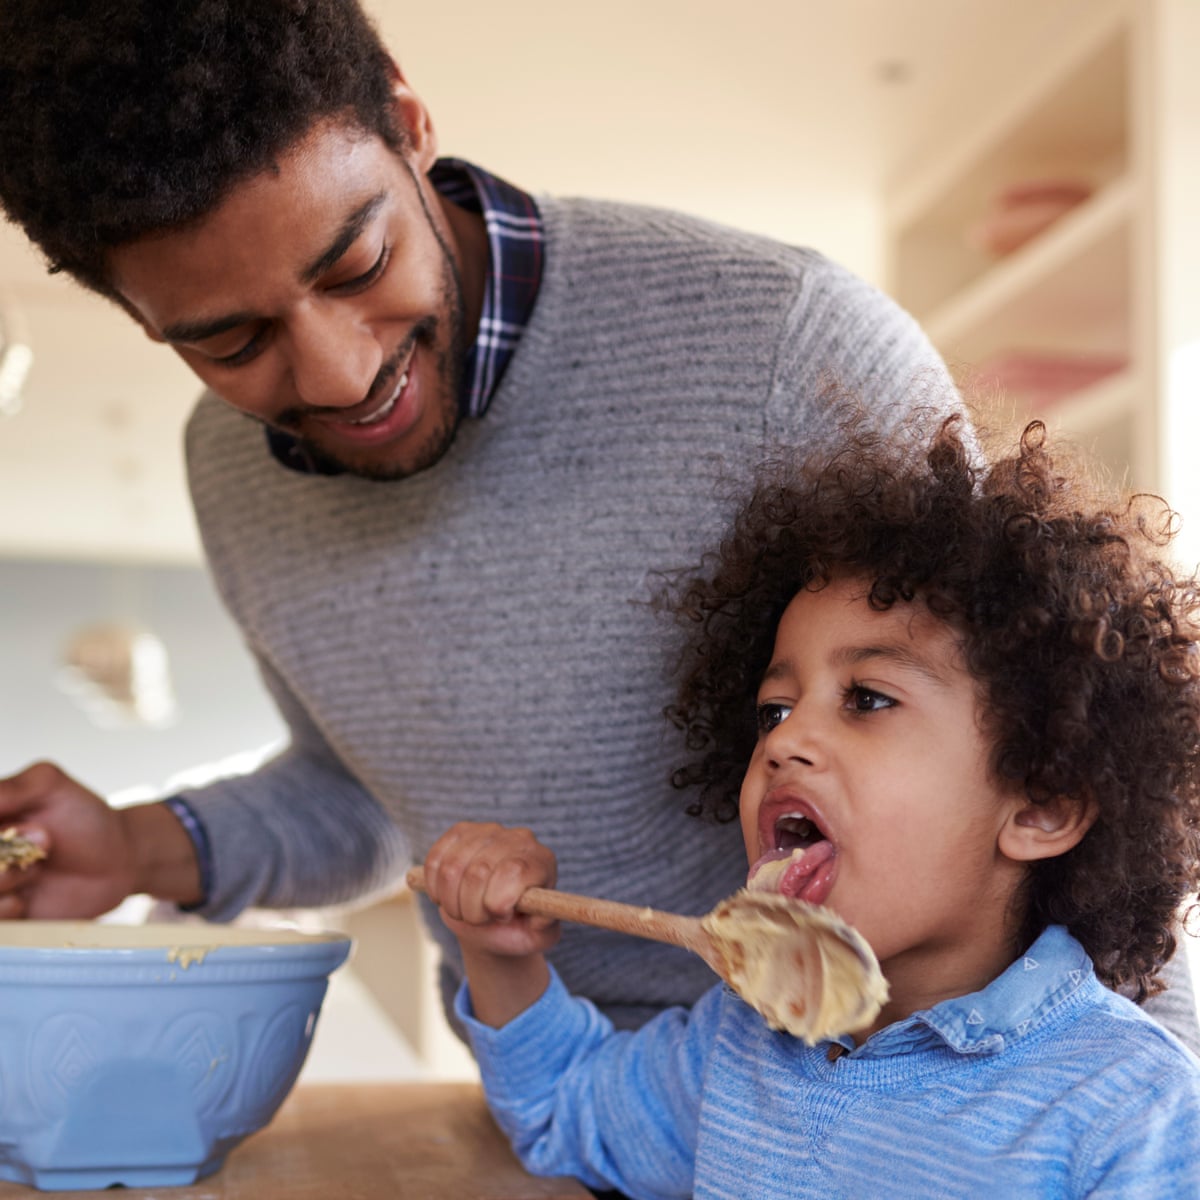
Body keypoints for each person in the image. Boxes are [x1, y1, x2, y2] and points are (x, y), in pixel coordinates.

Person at [0, 0, 1192, 1053]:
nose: (339, 371)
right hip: (565, 1105)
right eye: (231, 339)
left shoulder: (787, 347)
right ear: (144, 322)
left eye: (356, 260)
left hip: (880, 1109)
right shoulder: (230, 474)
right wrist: (134, 846)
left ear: (409, 118)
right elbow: (371, 797)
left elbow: (1042, 756)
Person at [419, 411, 1200, 1198]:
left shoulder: (1131, 1112)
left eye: (865, 697)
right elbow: (564, 1112)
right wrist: (498, 950)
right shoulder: (742, 1043)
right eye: (774, 710)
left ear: (1041, 805)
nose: (784, 743)